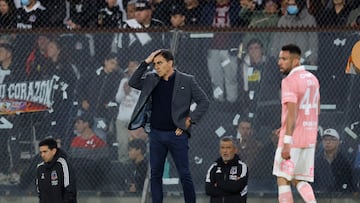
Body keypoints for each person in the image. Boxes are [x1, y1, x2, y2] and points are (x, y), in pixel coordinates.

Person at [128, 49, 209, 203]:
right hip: (156, 135)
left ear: (170, 63)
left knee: (184, 174)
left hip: (177, 134)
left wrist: (189, 121)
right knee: (155, 174)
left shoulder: (187, 80)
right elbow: (133, 82)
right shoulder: (151, 79)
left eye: (160, 63)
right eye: (155, 64)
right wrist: (146, 61)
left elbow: (204, 101)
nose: (156, 66)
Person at [273, 44, 320, 203]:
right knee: (299, 178)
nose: (280, 62)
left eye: (284, 59)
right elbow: (317, 110)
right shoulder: (313, 79)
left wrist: (287, 141)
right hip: (309, 136)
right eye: (280, 58)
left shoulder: (289, 81)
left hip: (293, 139)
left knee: (282, 178)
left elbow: (292, 112)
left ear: (296, 61)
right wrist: (286, 125)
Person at [69, 113, 109, 190]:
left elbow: (103, 161)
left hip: (93, 175)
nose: (75, 125)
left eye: (78, 123)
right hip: (79, 175)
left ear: (86, 124)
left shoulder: (98, 141)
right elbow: (72, 159)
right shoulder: (75, 141)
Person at [115, 60, 143, 163]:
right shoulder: (124, 81)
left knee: (135, 145)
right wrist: (124, 92)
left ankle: (137, 166)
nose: (131, 68)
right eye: (130, 66)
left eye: (133, 66)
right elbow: (118, 99)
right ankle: (123, 166)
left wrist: (131, 92)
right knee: (123, 143)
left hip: (135, 119)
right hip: (122, 118)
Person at [205, 136, 248, 203]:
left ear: (235, 150)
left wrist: (218, 183)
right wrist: (232, 189)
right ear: (219, 150)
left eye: (228, 148)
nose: (225, 151)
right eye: (222, 148)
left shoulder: (242, 167)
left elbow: (237, 187)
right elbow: (209, 190)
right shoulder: (213, 167)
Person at [313, 128, 355, 193]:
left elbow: (349, 181)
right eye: (325, 139)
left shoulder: (344, 161)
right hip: (319, 194)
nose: (328, 142)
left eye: (332, 139)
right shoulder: (316, 161)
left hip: (340, 195)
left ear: (338, 142)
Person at [36, 138, 77, 203]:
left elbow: (70, 190)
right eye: (41, 152)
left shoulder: (62, 164)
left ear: (53, 151)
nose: (42, 155)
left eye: (45, 151)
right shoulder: (40, 168)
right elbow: (40, 193)